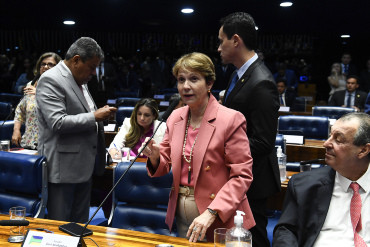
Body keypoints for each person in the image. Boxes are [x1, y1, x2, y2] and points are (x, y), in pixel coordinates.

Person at [141, 52, 255, 242]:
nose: (186, 86)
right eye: (181, 79)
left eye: (194, 79)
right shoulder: (175, 117)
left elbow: (242, 176)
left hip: (220, 216)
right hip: (182, 213)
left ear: (209, 83)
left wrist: (212, 212)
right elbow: (164, 165)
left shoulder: (230, 119)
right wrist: (154, 156)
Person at [36, 37, 117, 223]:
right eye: (92, 66)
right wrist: (95, 116)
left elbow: (83, 114)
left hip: (83, 166)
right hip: (62, 170)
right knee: (60, 228)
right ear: (76, 60)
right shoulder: (50, 79)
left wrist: (99, 117)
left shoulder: (79, 79)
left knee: (78, 226)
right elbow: (57, 123)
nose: (94, 73)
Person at [217, 12, 281, 247]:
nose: (218, 47)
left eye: (221, 40)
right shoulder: (239, 74)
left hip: (253, 181)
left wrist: (220, 146)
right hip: (236, 174)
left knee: (255, 239)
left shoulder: (261, 82)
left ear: (235, 40)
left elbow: (263, 142)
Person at [273, 112, 370, 246]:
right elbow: (286, 231)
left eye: (338, 139)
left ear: (363, 150)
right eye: (329, 135)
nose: (326, 144)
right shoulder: (304, 185)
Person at [11, 52, 62, 150]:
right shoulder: (31, 84)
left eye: (50, 64)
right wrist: (16, 130)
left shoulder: (60, 86)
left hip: (50, 145)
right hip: (28, 142)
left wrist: (38, 93)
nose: (46, 67)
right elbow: (20, 110)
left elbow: (58, 108)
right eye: (43, 64)